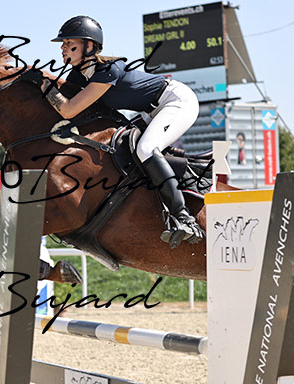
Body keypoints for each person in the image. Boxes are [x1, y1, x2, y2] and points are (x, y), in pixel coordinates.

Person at [39, 15, 204, 247]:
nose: (63, 48)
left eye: (68, 43)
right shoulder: (76, 76)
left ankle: (184, 217)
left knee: (146, 149)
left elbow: (68, 109)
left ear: (89, 46)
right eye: (63, 43)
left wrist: (44, 84)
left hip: (176, 101)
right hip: (150, 111)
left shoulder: (108, 69)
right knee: (124, 150)